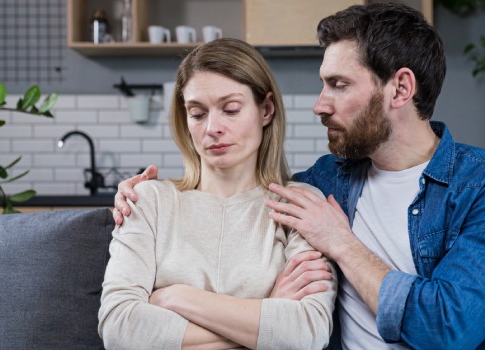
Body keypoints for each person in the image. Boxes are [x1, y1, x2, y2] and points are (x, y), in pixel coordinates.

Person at [114, 3, 485, 349]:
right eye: (323, 84)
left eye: (338, 84)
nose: (319, 104)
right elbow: (240, 191)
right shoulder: (322, 183)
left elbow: (449, 327)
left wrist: (342, 243)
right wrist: (143, 196)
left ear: (401, 89)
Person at [98, 38, 337, 350]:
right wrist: (265, 314)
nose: (213, 127)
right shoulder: (149, 201)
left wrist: (176, 297)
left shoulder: (299, 205)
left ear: (266, 110)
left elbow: (306, 333)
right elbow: (119, 328)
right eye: (197, 113)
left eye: (231, 109)